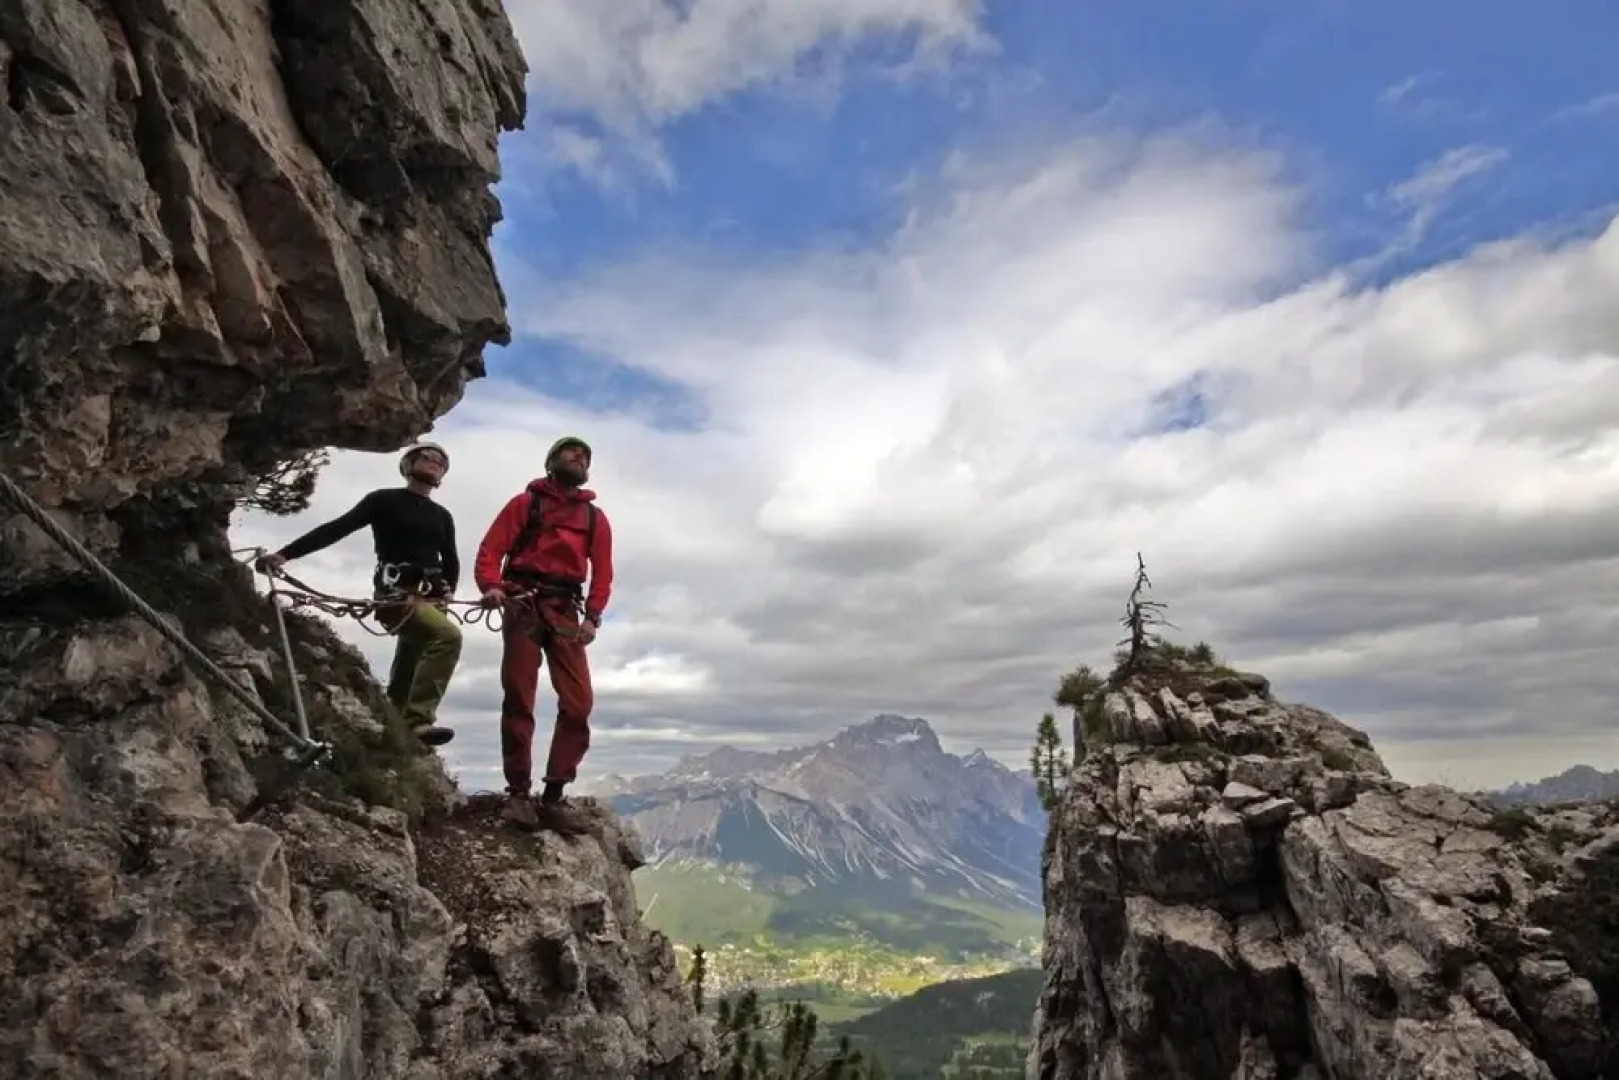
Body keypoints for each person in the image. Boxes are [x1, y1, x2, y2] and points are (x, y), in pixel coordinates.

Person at [258, 442, 462, 747]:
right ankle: (419, 720)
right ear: (409, 464)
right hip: (395, 593)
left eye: (442, 462)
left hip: (430, 597)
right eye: (428, 457)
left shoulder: (442, 515)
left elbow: (451, 558)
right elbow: (337, 528)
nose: (436, 462)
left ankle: (393, 729)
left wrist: (448, 590)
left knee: (410, 661)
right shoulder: (384, 500)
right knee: (447, 637)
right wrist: (285, 555)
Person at [474, 435, 614, 832]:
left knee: (579, 703)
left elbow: (602, 571)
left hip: (566, 609)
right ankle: (518, 794)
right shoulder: (525, 504)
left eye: (585, 455)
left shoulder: (594, 518)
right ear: (552, 462)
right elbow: (491, 549)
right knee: (519, 694)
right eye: (571, 453)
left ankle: (554, 793)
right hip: (522, 602)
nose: (580, 457)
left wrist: (594, 616)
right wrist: (492, 586)